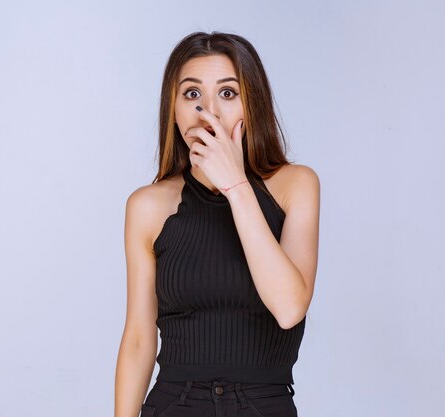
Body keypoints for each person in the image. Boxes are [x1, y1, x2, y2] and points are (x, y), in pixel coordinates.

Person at [115, 31, 320, 417]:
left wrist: (236, 186)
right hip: (174, 404)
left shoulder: (295, 185)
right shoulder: (148, 206)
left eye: (228, 94)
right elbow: (139, 339)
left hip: (263, 405)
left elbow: (290, 307)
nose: (208, 110)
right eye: (192, 94)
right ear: (172, 108)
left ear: (252, 104)